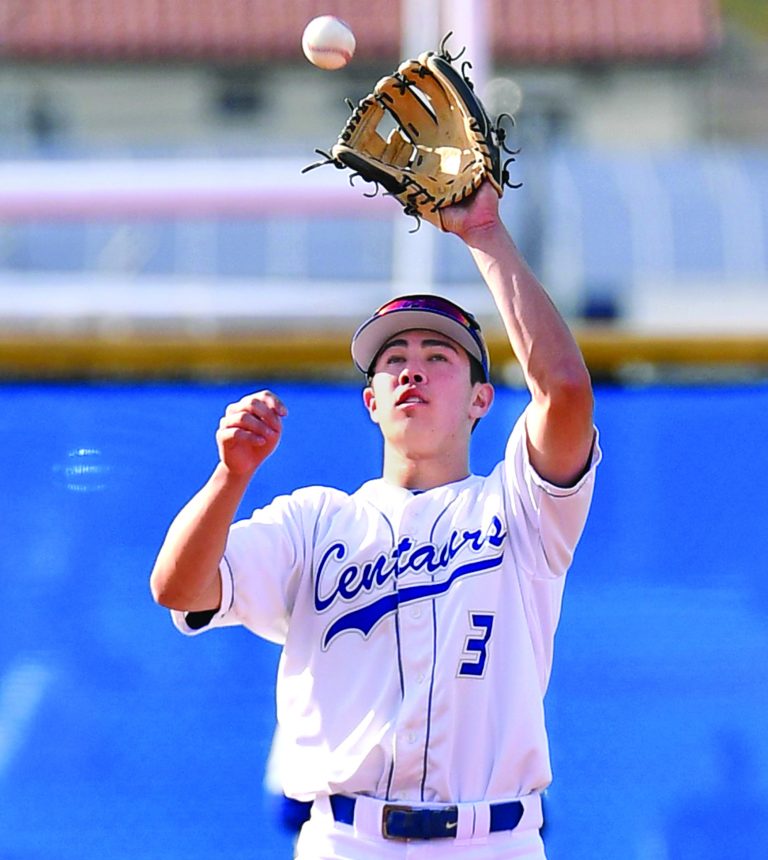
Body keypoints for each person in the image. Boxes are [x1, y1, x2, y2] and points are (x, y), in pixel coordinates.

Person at [150, 181, 601, 859]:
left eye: (438, 357)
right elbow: (178, 588)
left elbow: (564, 390)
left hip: (494, 840)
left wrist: (484, 235)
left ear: (482, 398)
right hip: (348, 839)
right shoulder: (312, 523)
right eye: (394, 361)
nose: (412, 372)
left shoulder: (521, 511)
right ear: (370, 401)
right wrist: (230, 476)